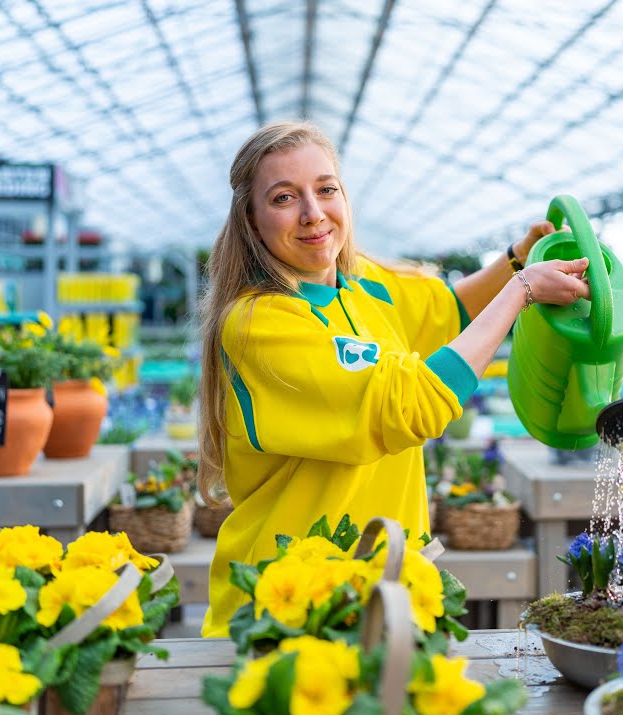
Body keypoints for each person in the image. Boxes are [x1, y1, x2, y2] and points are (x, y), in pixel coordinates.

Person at [195, 120, 592, 637]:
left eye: (326, 189)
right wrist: (520, 290)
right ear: (250, 218)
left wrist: (517, 257)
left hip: (380, 591)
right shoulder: (260, 323)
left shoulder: (365, 284)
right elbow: (414, 406)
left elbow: (449, 311)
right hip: (290, 603)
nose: (313, 213)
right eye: (284, 198)